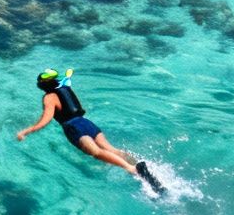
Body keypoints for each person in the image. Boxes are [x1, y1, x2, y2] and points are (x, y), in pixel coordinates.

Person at [15, 69, 160, 191]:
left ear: (43, 85)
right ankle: (140, 165)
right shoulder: (65, 87)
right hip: (86, 123)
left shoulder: (49, 97)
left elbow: (45, 120)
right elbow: (66, 80)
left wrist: (26, 131)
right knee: (111, 149)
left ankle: (132, 169)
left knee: (96, 153)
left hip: (73, 127)